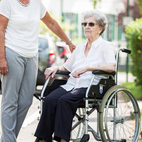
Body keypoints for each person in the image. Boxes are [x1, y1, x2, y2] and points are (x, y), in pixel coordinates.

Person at [0, 0, 76, 142]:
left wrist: (68, 42)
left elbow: (52, 23)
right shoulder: (7, 2)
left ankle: (7, 139)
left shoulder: (36, 3)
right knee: (10, 101)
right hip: (12, 53)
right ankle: (9, 140)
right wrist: (1, 58)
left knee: (25, 101)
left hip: (31, 56)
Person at [34, 10, 116, 142]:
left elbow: (111, 66)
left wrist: (88, 68)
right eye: (84, 24)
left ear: (100, 28)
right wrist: (55, 67)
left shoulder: (106, 46)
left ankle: (63, 140)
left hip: (91, 86)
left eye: (91, 24)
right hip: (72, 85)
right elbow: (66, 67)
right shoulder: (79, 48)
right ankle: (44, 139)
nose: (86, 27)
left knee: (64, 101)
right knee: (49, 100)